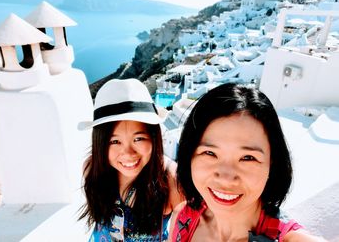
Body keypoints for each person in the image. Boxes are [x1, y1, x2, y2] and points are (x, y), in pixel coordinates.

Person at [168, 83, 326, 242]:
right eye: (210, 153)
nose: (226, 178)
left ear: (271, 163)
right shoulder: (183, 218)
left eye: (248, 157)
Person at [79, 78, 183, 241]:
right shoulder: (92, 168)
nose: (128, 153)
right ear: (100, 143)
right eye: (114, 141)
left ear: (154, 137)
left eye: (139, 138)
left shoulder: (170, 180)